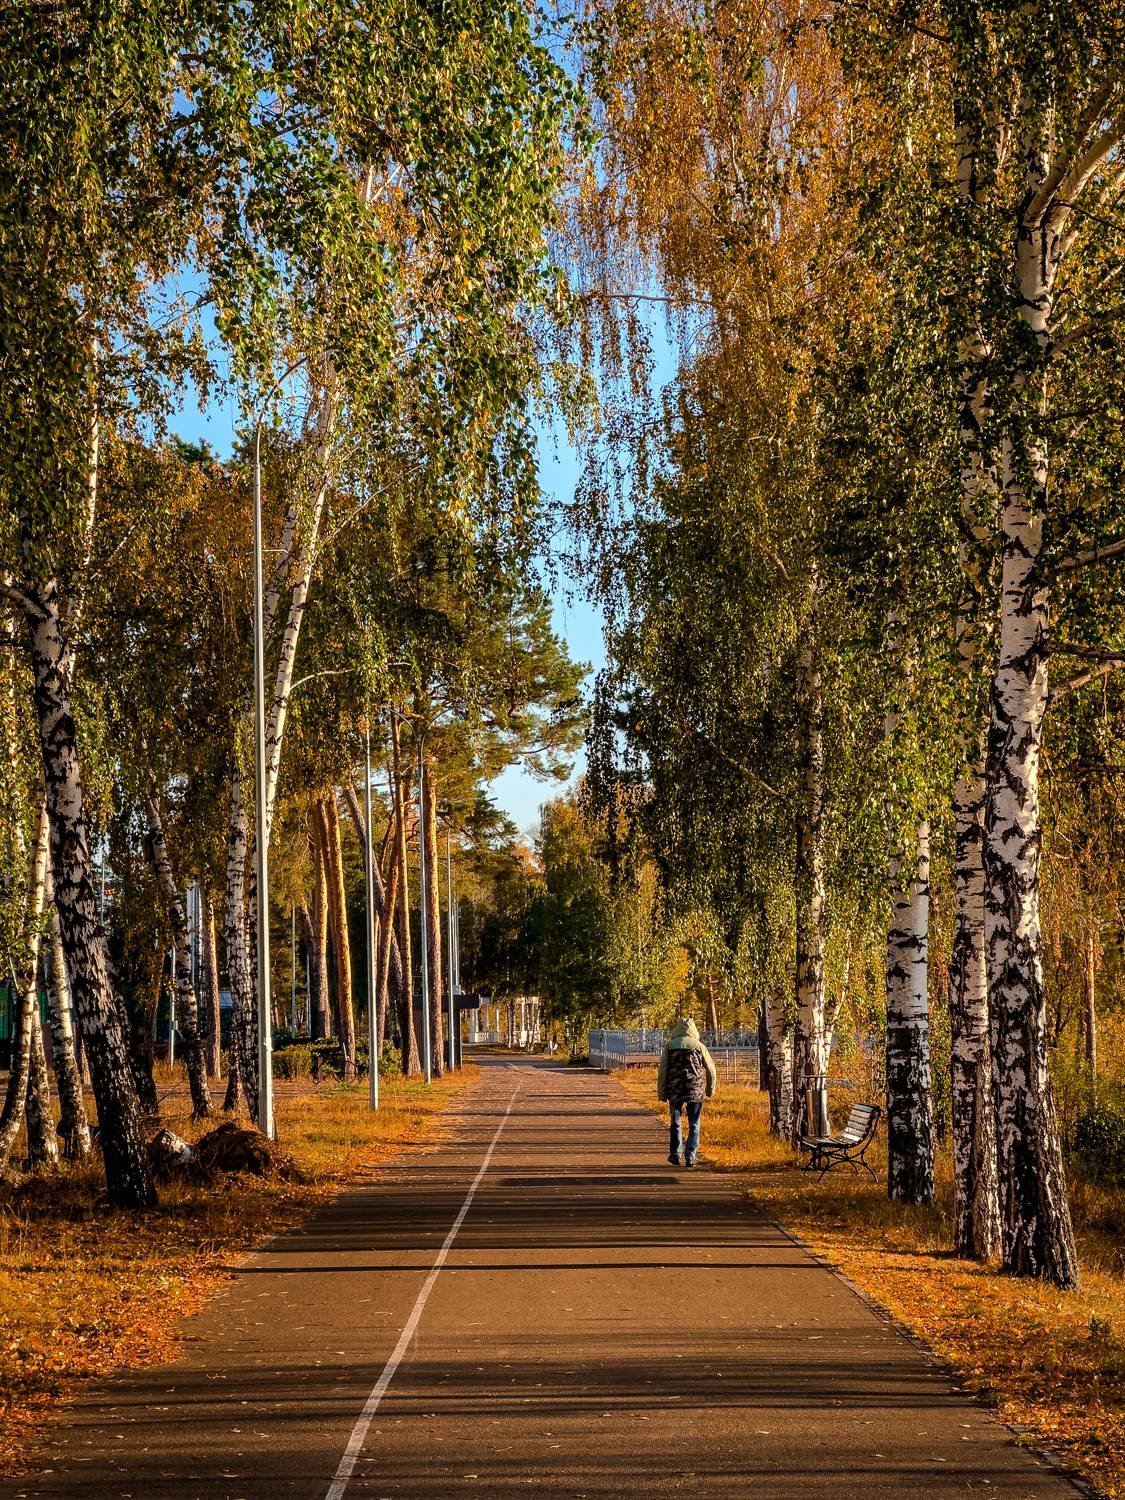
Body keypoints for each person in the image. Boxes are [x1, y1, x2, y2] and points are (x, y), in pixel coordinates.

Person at [657, 1017, 717, 1168]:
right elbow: (711, 1070)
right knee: (694, 1123)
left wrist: (662, 1093)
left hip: (675, 1090)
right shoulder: (699, 1046)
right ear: (693, 1030)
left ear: (677, 1029)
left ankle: (675, 1154)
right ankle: (690, 1156)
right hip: (695, 1089)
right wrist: (710, 1090)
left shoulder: (669, 1046)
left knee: (675, 1123)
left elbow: (663, 1070)